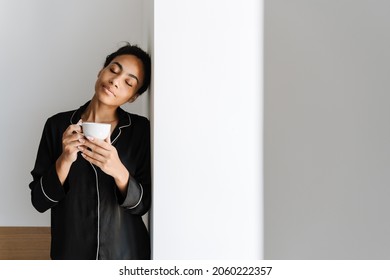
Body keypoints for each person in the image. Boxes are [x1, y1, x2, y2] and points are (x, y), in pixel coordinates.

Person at [29, 43, 152, 260]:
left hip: (126, 256)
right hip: (71, 255)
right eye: (114, 70)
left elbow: (142, 205)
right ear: (101, 71)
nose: (115, 81)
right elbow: (39, 201)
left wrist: (118, 171)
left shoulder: (140, 130)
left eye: (128, 82)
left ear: (133, 96)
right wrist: (65, 160)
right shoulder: (57, 126)